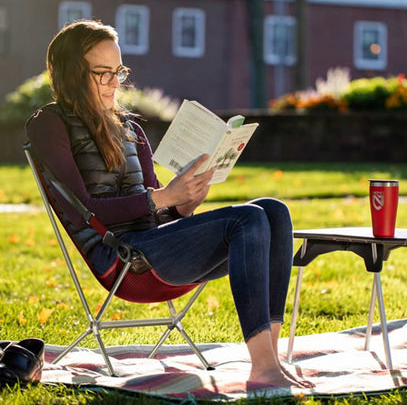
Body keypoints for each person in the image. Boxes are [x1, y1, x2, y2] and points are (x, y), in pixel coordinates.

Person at [26, 19, 312, 389]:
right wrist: (164, 197)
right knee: (248, 219)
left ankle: (270, 358)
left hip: (157, 248)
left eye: (119, 72)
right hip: (124, 262)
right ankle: (262, 368)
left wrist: (183, 204)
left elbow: (158, 212)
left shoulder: (131, 129)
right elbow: (84, 208)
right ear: (71, 73)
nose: (116, 83)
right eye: (103, 74)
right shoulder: (50, 124)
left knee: (274, 211)